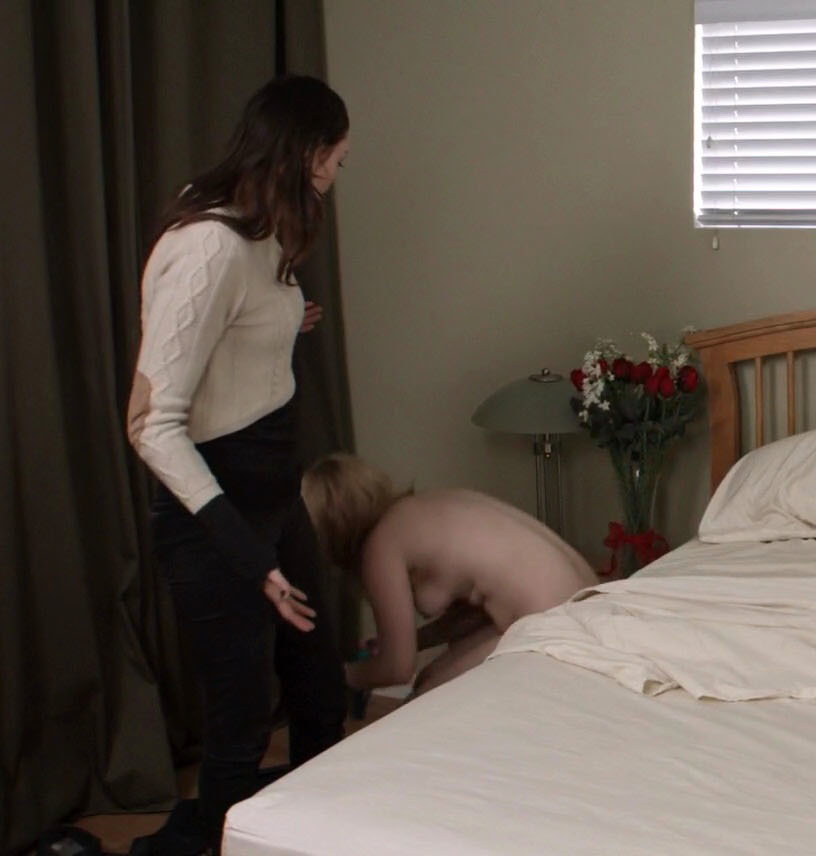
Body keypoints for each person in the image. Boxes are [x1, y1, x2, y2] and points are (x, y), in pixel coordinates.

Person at [124, 74, 351, 855]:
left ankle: (313, 838)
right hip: (214, 519)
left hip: (273, 497)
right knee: (240, 725)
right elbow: (151, 426)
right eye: (337, 159)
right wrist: (249, 556)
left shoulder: (262, 232)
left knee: (320, 690)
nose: (336, 175)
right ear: (309, 153)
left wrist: (285, 320)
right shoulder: (209, 245)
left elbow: (238, 326)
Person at [299, 453, 598, 696]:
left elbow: (397, 668)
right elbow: (475, 614)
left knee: (428, 697)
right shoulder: (424, 506)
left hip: (551, 624)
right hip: (587, 604)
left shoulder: (380, 545)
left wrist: (335, 675)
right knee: (436, 674)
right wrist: (416, 640)